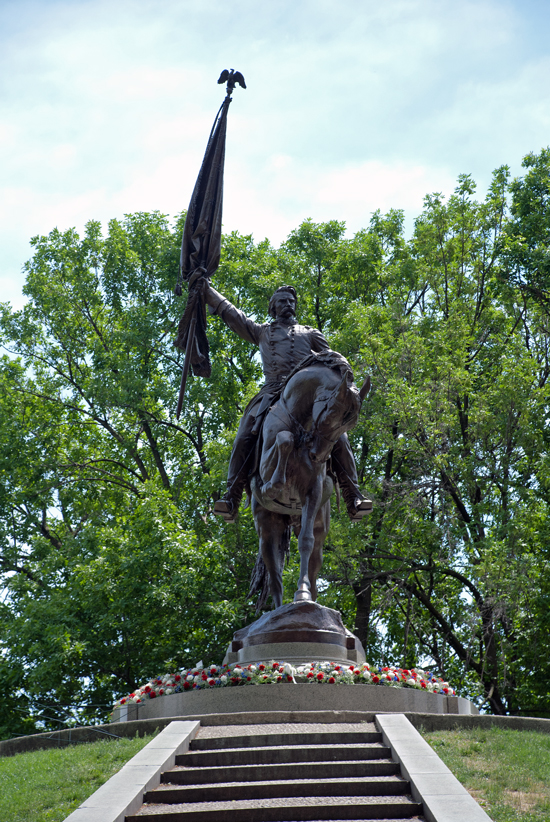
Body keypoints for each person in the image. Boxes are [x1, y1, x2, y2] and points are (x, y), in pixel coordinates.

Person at [204, 282, 371, 523]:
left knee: (340, 436)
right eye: (282, 301)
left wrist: (345, 380)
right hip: (271, 394)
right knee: (243, 435)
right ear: (273, 308)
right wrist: (207, 290)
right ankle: (232, 496)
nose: (288, 304)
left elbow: (331, 361)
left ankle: (352, 495)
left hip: (306, 397)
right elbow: (231, 313)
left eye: (291, 301)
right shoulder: (262, 332)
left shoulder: (311, 333)